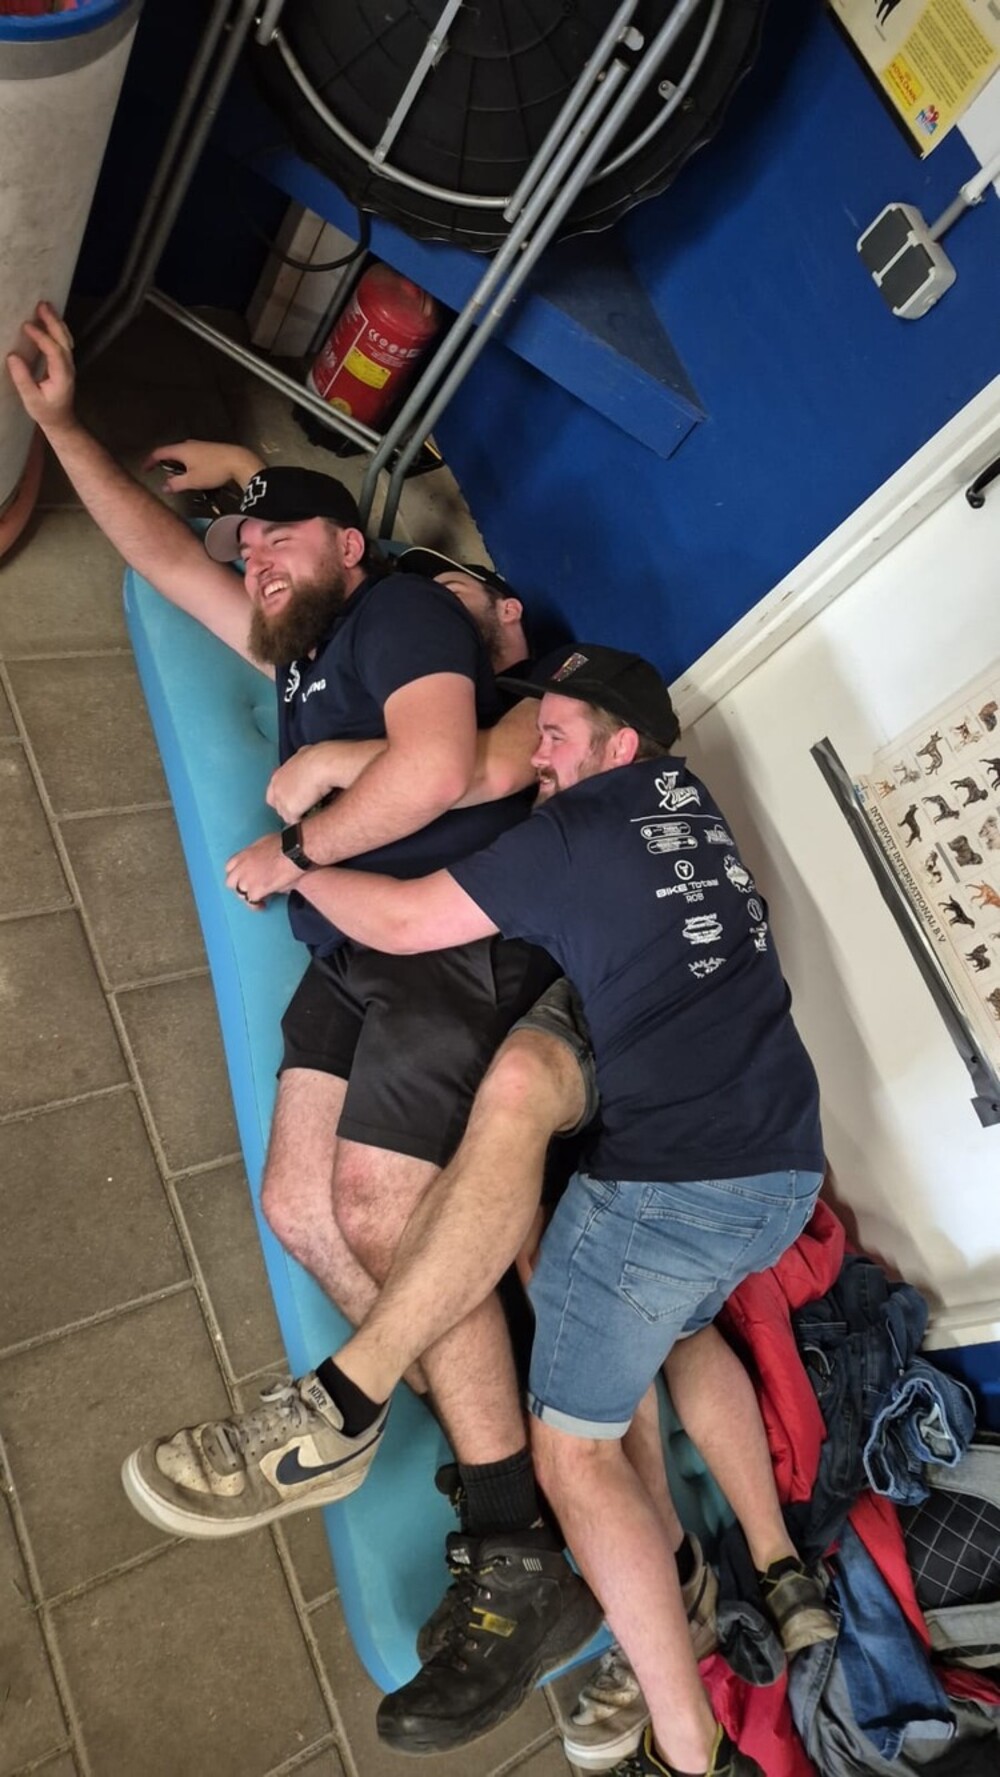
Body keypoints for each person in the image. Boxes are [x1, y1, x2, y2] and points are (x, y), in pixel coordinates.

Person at [6, 305, 602, 1753]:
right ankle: (490, 1430)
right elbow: (164, 553)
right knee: (298, 1203)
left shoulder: (398, 612)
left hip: (452, 945)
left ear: (351, 545)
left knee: (380, 1203)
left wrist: (298, 851)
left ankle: (510, 1541)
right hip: (355, 958)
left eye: (283, 540)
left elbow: (441, 764)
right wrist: (65, 429)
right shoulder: (291, 656)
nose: (255, 556)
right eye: (250, 545)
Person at [126, 644, 836, 1776]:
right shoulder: (686, 805)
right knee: (662, 1312)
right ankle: (752, 1568)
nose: (539, 752)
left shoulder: (580, 828)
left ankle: (690, 1746)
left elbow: (408, 920)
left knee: (577, 1456)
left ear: (619, 744)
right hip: (783, 1168)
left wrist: (291, 864)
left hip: (671, 1191)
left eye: (557, 734)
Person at [145, 440, 532, 673]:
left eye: (450, 593)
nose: (425, 608)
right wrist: (240, 464)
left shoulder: (525, 714)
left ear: (508, 610)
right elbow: (313, 547)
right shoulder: (361, 646)